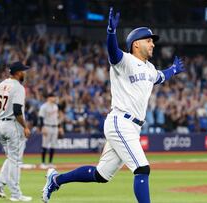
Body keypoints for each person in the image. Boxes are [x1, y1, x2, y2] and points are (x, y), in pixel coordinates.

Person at [41, 7, 185, 203]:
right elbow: (112, 51)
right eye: (149, 40)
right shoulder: (124, 60)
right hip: (121, 122)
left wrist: (173, 69)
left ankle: (56, 180)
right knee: (142, 169)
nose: (153, 44)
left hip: (133, 127)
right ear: (136, 44)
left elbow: (160, 77)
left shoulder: (150, 68)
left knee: (101, 175)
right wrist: (111, 33)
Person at [0, 61, 33, 202]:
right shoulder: (18, 87)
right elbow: (17, 111)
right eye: (23, 71)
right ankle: (16, 194)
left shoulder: (0, 85)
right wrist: (25, 126)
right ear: (18, 72)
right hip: (12, 125)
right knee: (15, 160)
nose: (25, 73)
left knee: (11, 158)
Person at [38, 93, 63, 169]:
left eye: (54, 97)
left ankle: (50, 163)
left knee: (53, 145)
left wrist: (59, 127)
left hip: (55, 127)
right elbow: (41, 118)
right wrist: (42, 127)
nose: (54, 98)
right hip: (47, 126)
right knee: (45, 145)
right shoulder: (44, 106)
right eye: (53, 97)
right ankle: (43, 163)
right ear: (48, 98)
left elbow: (56, 118)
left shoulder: (55, 106)